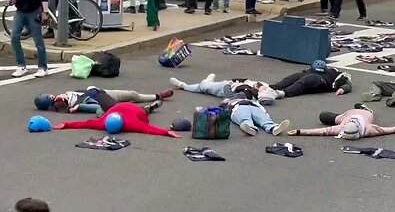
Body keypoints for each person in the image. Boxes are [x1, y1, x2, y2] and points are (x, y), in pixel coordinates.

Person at [9, 0, 50, 78]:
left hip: (33, 11)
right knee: (14, 37)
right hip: (20, 11)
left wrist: (45, 12)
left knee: (38, 40)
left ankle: (43, 67)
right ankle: (21, 66)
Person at [54, 102, 182, 137]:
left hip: (135, 110)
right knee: (99, 114)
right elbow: (84, 123)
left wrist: (167, 132)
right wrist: (65, 124)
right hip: (115, 108)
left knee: (144, 113)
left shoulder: (132, 124)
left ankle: (149, 108)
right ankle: (149, 107)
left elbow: (149, 128)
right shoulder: (102, 122)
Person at [287, 104, 395, 139]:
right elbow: (322, 131)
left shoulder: (368, 130)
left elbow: (385, 130)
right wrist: (298, 131)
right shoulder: (342, 127)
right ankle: (362, 108)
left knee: (326, 119)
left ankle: (365, 108)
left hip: (366, 114)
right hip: (347, 115)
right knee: (323, 116)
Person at [34, 87, 174, 113]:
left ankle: (157, 96)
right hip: (98, 98)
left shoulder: (62, 99)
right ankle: (146, 109)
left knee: (131, 94)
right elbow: (73, 107)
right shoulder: (60, 103)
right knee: (121, 108)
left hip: (99, 92)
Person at [169, 73, 278, 105]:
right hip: (231, 83)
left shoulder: (247, 94)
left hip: (224, 88)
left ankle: (183, 85)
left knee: (202, 87)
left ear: (261, 94)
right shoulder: (258, 86)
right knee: (206, 86)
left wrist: (228, 85)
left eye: (266, 90)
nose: (267, 88)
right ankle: (209, 81)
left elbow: (230, 98)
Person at [220, 90, 290, 136]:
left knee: (263, 118)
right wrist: (225, 103)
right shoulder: (228, 103)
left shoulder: (251, 99)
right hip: (238, 107)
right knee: (244, 117)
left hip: (254, 106)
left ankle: (274, 128)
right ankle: (249, 127)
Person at [269, 60, 353, 98]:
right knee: (296, 76)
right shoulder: (309, 71)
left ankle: (282, 93)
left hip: (322, 83)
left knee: (311, 78)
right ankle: (271, 87)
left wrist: (343, 88)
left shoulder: (334, 73)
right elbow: (301, 75)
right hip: (311, 77)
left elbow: (348, 82)